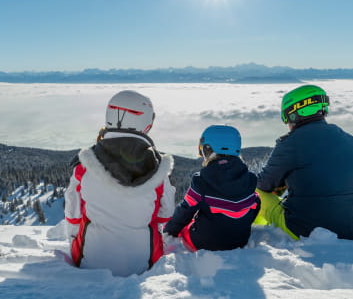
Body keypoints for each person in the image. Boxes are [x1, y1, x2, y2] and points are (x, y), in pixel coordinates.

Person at [64, 90, 176, 276]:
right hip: (144, 262)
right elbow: (166, 214)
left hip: (88, 260)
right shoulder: (159, 169)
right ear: (145, 121)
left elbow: (73, 215)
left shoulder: (84, 166)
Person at [256, 84, 353, 240]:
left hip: (306, 229)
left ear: (293, 115)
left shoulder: (290, 144)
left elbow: (264, 184)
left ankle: (256, 233)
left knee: (256, 193)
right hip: (349, 228)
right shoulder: (348, 139)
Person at [164, 125, 260, 252]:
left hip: (205, 242)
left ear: (208, 149)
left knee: (187, 227)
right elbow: (255, 204)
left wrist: (169, 230)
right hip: (240, 240)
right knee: (255, 198)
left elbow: (185, 210)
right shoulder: (250, 179)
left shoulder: (201, 180)